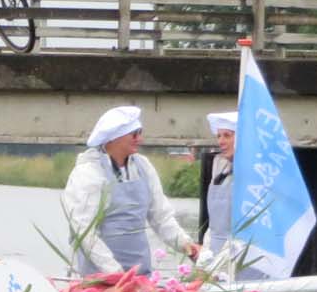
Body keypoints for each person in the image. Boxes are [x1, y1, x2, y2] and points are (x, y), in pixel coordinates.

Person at [61, 105, 200, 276]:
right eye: (134, 134)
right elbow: (84, 230)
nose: (139, 139)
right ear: (114, 138)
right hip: (99, 276)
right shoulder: (89, 172)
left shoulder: (143, 167)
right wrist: (114, 272)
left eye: (140, 133)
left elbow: (161, 217)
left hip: (139, 273)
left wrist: (186, 245)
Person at [199, 110, 239, 263]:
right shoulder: (220, 171)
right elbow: (213, 226)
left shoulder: (255, 176)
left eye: (227, 136)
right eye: (219, 136)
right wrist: (204, 258)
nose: (221, 141)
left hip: (238, 259)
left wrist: (223, 261)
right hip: (215, 259)